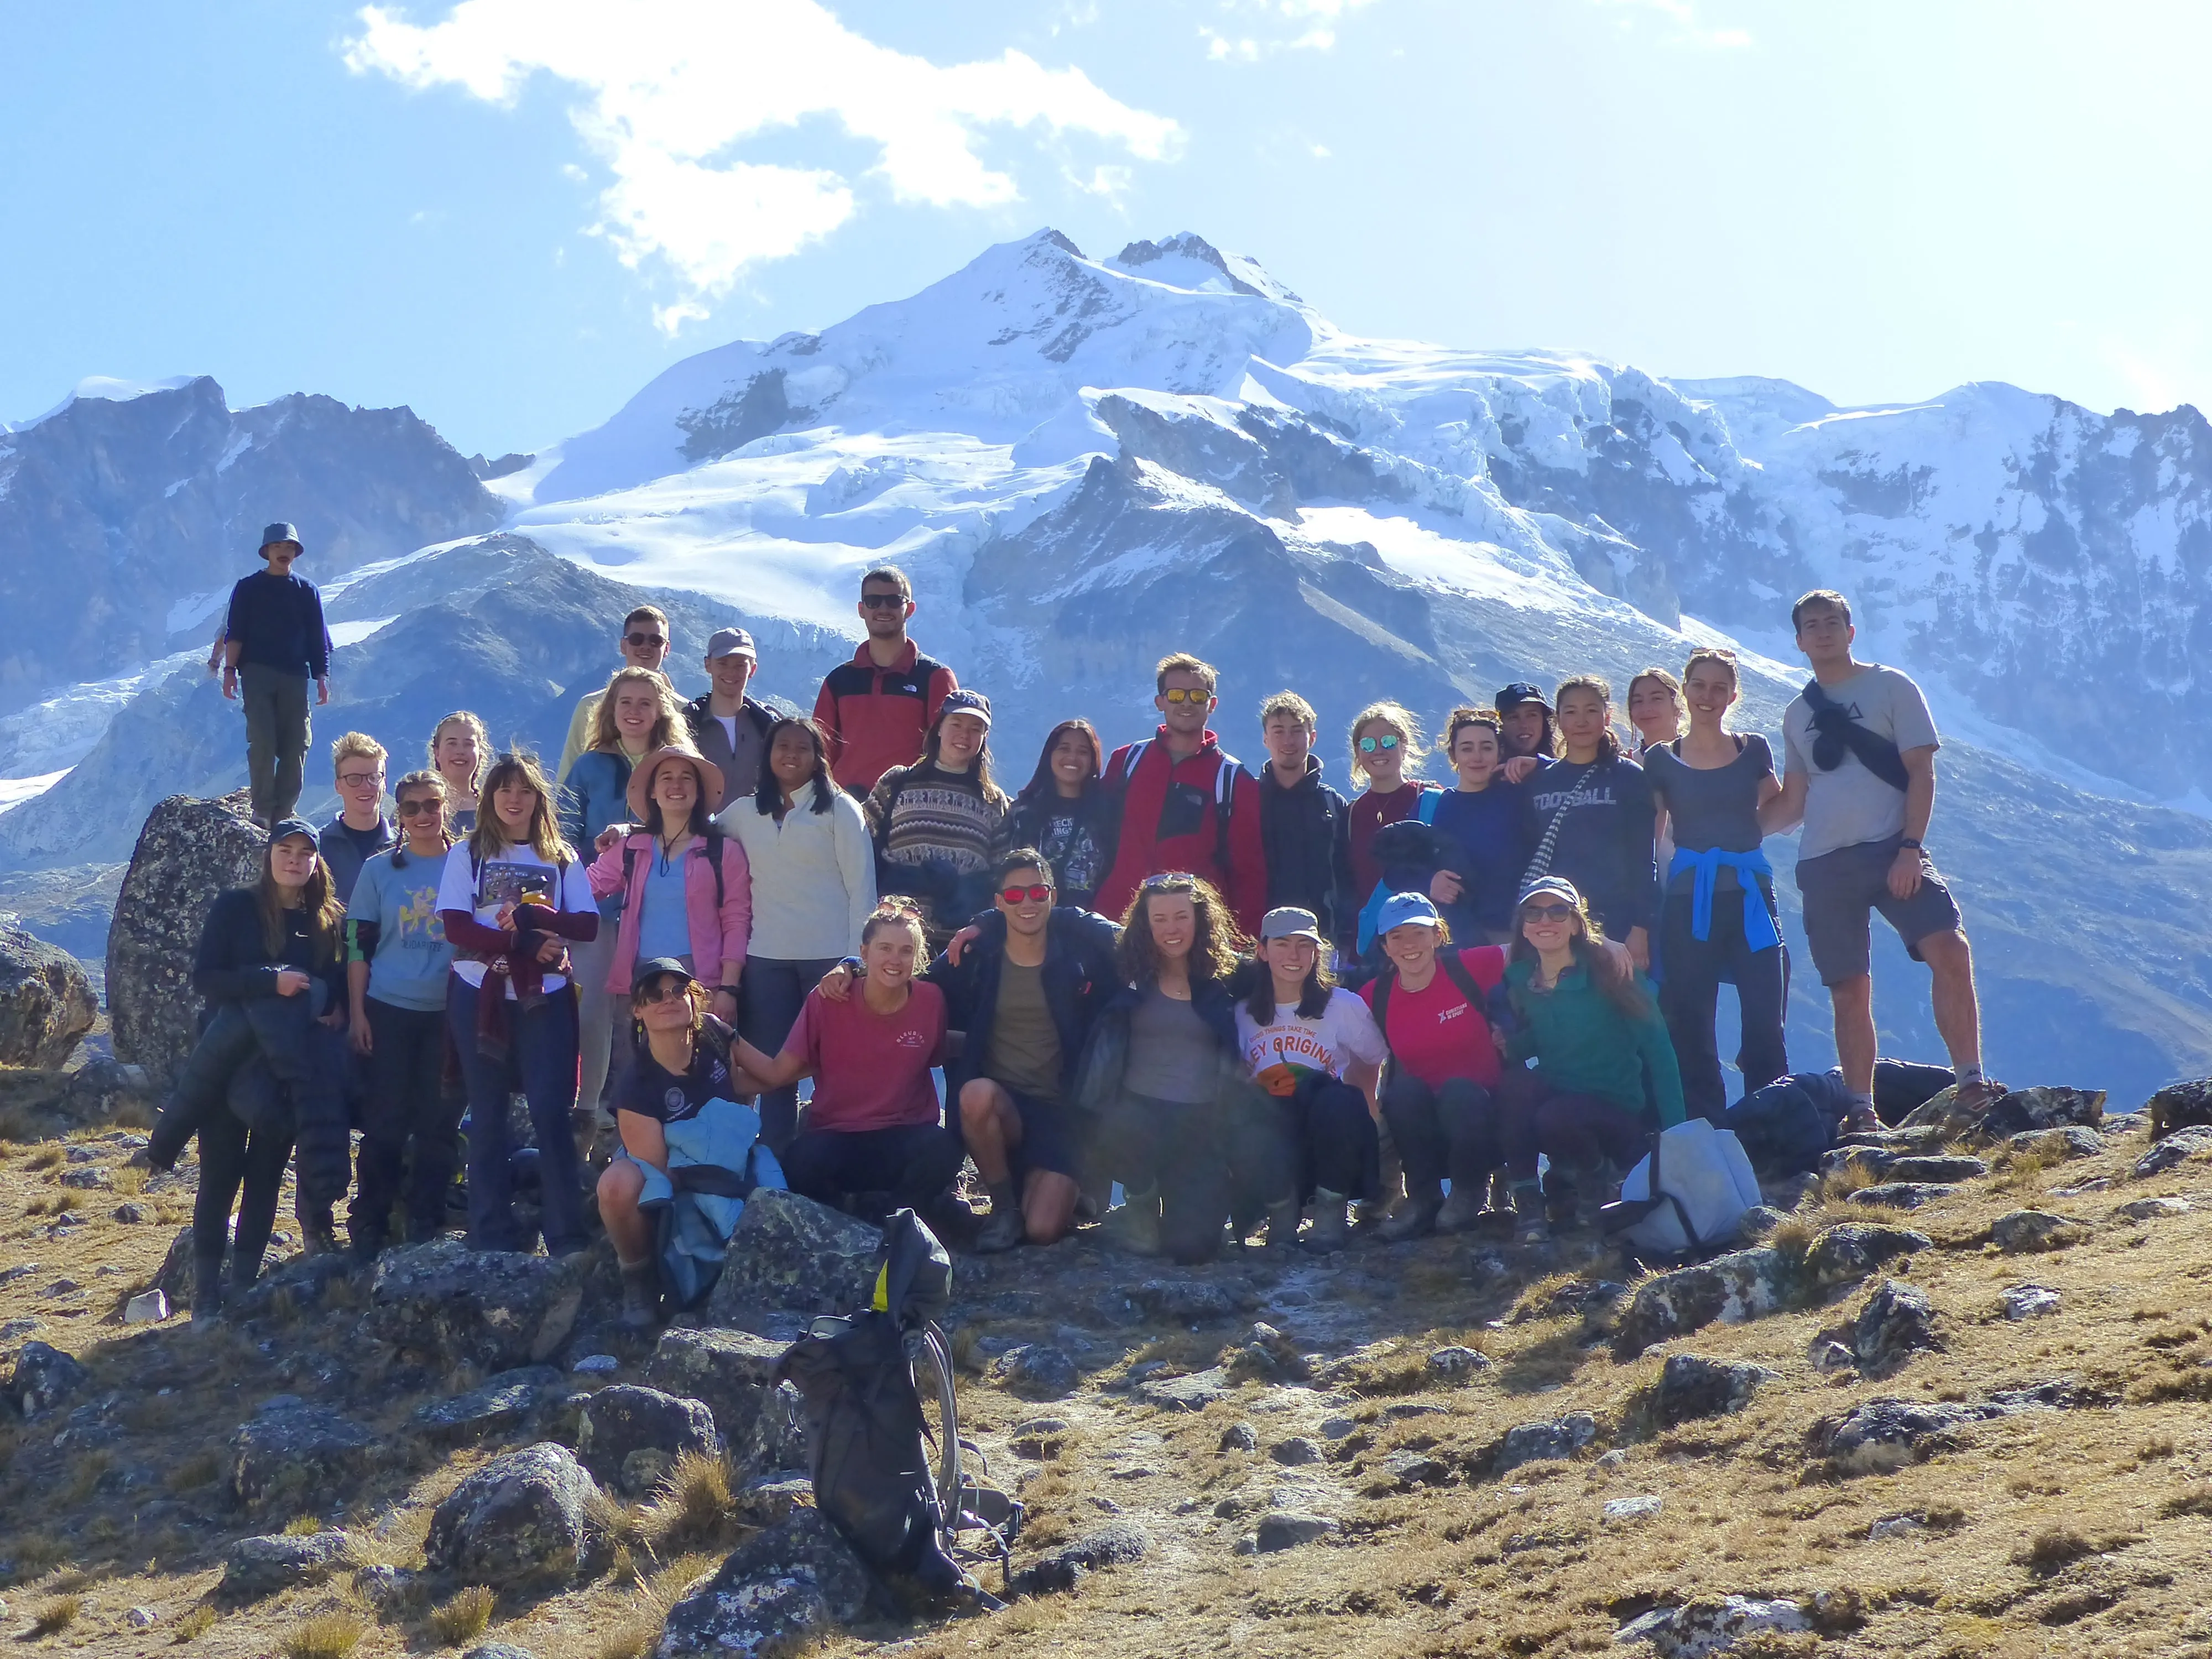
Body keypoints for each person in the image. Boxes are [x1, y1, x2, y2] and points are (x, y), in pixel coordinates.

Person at [1760, 589, 1996, 1115]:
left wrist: (1911, 848)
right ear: (1799, 641)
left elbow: (1920, 771)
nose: (1822, 631)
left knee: (1950, 951)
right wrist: (1729, 831)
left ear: (1850, 631)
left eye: (1831, 622)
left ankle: (1972, 1082)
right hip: (1824, 863)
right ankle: (1861, 1109)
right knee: (1849, 989)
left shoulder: (1892, 686)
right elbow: (1794, 801)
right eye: (1811, 625)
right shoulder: (1797, 713)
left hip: (1895, 849)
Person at [162, 819, 348, 1319]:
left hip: (285, 1069)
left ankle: (243, 1289)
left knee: (266, 1176)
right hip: (227, 1064)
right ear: (268, 856)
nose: (294, 860)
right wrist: (271, 983)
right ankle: (206, 1296)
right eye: (284, 850)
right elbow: (207, 978)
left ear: (316, 862)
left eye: (304, 852)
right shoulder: (235, 907)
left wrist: (337, 1010)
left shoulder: (327, 919)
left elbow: (333, 983)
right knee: (220, 1175)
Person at [436, 752, 599, 1254]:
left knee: (552, 1113)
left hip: (545, 998)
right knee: (487, 1115)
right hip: (478, 990)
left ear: (538, 800)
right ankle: (490, 1234)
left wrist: (536, 919)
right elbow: (456, 927)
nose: (514, 799)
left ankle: (565, 1237)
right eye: (504, 790)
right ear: (489, 799)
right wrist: (525, 944)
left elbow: (587, 926)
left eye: (524, 791)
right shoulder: (467, 854)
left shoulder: (562, 856)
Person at [1076, 873, 1279, 1264]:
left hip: (1199, 1124)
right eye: (1160, 919)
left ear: (1200, 920)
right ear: (1145, 923)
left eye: (1181, 917)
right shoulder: (1123, 971)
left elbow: (1290, 976)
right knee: (1119, 1124)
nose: (1172, 929)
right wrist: (984, 923)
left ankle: (1209, 1203)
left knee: (1192, 1248)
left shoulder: (1230, 976)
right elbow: (1070, 917)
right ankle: (1141, 1202)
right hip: (1138, 1115)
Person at [933, 848, 1121, 1253]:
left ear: (1053, 896)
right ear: (999, 903)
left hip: (1062, 1115)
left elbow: (1126, 940)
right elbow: (910, 982)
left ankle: (1056, 1188)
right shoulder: (978, 958)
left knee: (1042, 1231)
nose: (1028, 904)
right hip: (1006, 1112)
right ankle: (1004, 1207)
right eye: (1015, 896)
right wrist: (852, 966)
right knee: (975, 1095)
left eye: (1037, 893)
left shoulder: (1079, 956)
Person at [731, 898, 963, 1220]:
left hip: (905, 1131)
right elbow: (777, 1073)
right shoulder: (828, 999)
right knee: (800, 1162)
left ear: (917, 958)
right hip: (839, 1133)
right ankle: (864, 1212)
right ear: (865, 953)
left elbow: (937, 1053)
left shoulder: (930, 1001)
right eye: (885, 948)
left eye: (906, 951)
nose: (895, 959)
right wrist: (727, 1037)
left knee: (945, 1149)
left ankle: (894, 1214)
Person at [1642, 648, 1790, 1123]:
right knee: (1692, 1024)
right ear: (1685, 690)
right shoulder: (1661, 759)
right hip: (1688, 904)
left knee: (1765, 1020)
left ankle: (1771, 1127)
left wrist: (1741, 840)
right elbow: (1650, 834)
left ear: (1732, 695)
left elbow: (1778, 808)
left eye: (1719, 687)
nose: (1708, 696)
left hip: (1750, 896)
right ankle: (1709, 1128)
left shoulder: (1755, 749)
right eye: (1699, 685)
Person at [596, 961, 785, 1329]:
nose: (668, 1000)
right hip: (673, 1173)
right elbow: (661, 1172)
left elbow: (768, 1076)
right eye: (654, 995)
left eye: (678, 991)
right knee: (616, 1186)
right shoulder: (635, 1085)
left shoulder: (714, 1038)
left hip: (725, 1157)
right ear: (637, 1010)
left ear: (694, 999)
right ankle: (639, 1276)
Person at [717, 716, 874, 1151]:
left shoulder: (840, 811)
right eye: (781, 746)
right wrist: (628, 833)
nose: (790, 754)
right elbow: (690, 832)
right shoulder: (744, 814)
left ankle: (834, 1158)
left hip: (830, 963)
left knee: (835, 1066)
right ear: (767, 755)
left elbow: (863, 891)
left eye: (802, 747)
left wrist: (853, 962)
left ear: (818, 757)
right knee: (772, 1071)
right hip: (765, 961)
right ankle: (776, 1163)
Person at [1499, 876, 1685, 1242]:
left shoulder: (1615, 975)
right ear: (1523, 926)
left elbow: (1660, 1054)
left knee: (1557, 1115)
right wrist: (1512, 1047)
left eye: (1557, 911)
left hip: (1614, 1118)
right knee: (1516, 1086)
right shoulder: (1520, 980)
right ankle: (1527, 1198)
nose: (1545, 921)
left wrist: (1679, 1139)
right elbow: (1547, 1039)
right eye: (1533, 913)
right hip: (1559, 1109)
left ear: (1575, 923)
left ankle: (1598, 1179)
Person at [561, 666, 685, 1129]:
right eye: (625, 703)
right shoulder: (589, 766)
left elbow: (689, 828)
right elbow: (564, 836)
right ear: (610, 710)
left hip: (660, 913)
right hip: (595, 913)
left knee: (647, 1010)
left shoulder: (676, 765)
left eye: (645, 703)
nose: (634, 712)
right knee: (593, 1009)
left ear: (660, 711)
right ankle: (589, 1109)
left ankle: (638, 1108)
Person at [345, 770, 460, 1259]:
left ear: (445, 807)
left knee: (439, 1123)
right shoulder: (377, 871)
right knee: (385, 1123)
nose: (422, 816)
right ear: (399, 815)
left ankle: (426, 1219)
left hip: (450, 1013)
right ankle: (369, 1220)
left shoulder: (468, 862)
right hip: (388, 1008)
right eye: (411, 808)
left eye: (431, 805)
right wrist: (357, 1013)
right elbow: (357, 945)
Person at [1359, 891, 1514, 1241]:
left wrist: (1606, 946)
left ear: (1438, 936)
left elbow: (1540, 945)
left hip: (1483, 1120)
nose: (1408, 945)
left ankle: (1469, 1192)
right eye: (1396, 936)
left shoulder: (1469, 966)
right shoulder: (1374, 994)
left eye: (1418, 933)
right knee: (1402, 1094)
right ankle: (1423, 1199)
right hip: (1423, 1130)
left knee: (1459, 1092)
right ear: (1384, 946)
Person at [1237, 906, 1386, 1254]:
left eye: (1305, 945)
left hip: (1328, 1133)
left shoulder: (1342, 1004)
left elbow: (1374, 1058)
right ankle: (1279, 1212)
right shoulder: (1241, 1012)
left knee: (1338, 1101)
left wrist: (1368, 1114)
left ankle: (1331, 1210)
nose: (1294, 955)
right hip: (1274, 1139)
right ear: (1262, 951)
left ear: (1318, 953)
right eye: (1283, 944)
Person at [1093, 655, 1268, 937]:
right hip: (1117, 923)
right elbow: (1096, 839)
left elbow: (1249, 874)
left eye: (1197, 696)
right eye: (1176, 695)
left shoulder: (1234, 780)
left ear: (1212, 704)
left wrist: (1241, 945)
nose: (1186, 703)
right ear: (1160, 702)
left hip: (1193, 936)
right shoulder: (1126, 761)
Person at [584, 742, 750, 1038]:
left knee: (698, 1068)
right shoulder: (632, 848)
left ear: (699, 790)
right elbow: (587, 887)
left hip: (700, 981)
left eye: (686, 777)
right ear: (652, 790)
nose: (676, 785)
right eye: (666, 777)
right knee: (635, 1071)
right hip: (639, 977)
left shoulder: (723, 852)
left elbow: (737, 920)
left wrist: (728, 988)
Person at [1526, 676, 1657, 969]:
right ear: (1558, 720)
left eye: (1591, 711)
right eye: (1571, 712)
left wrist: (1641, 928)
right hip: (1558, 921)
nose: (1581, 721)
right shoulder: (1540, 782)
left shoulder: (1629, 777)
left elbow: (1643, 859)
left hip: (1618, 920)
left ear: (1607, 716)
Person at [864, 689, 1010, 947]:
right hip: (894, 942)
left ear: (985, 737)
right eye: (956, 724)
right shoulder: (896, 783)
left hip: (961, 945)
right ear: (939, 728)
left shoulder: (993, 802)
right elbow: (860, 851)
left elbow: (1001, 877)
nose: (965, 735)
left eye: (976, 729)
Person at [220, 522, 333, 826]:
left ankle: (284, 810)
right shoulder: (248, 588)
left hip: (295, 675)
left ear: (296, 552)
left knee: (296, 743)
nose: (284, 552)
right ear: (267, 552)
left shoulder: (307, 591)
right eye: (278, 547)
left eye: (289, 547)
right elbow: (236, 633)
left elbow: (318, 637)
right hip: (256, 674)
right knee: (263, 741)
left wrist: (322, 676)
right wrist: (229, 671)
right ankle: (262, 808)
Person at [813, 567, 958, 792]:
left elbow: (950, 753)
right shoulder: (838, 681)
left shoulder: (935, 678)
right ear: (861, 609)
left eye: (893, 600)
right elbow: (820, 754)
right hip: (844, 814)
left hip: (909, 811)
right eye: (873, 601)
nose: (883, 608)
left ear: (909, 609)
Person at [1423, 708, 1538, 946]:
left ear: (1500, 752)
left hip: (1514, 938)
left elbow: (1566, 774)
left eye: (1486, 748)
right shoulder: (1432, 805)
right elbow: (1398, 868)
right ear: (1453, 755)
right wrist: (1428, 881)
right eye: (1467, 748)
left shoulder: (1520, 798)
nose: (1477, 757)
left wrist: (1539, 763)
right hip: (1454, 941)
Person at [1254, 692, 1350, 949]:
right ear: (1265, 738)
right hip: (1258, 939)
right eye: (1278, 731)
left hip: (1322, 937)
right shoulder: (1246, 801)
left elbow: (1346, 875)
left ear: (1313, 737)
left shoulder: (1333, 805)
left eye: (1297, 731)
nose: (1288, 740)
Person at [1342, 701, 1437, 940]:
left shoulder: (1430, 799)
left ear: (1404, 747)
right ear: (1358, 752)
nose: (1378, 751)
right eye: (1368, 744)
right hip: (1370, 940)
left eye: (1388, 742)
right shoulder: (1352, 814)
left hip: (1423, 937)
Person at [555, 605, 672, 784]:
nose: (646, 646)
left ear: (667, 648)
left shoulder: (681, 709)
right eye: (637, 639)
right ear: (623, 645)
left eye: (655, 641)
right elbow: (568, 775)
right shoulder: (590, 706)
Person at [1005, 719, 1113, 912]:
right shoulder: (1023, 812)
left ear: (1093, 759)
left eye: (1083, 752)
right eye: (1064, 749)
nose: (1072, 757)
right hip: (1033, 918)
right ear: (1050, 755)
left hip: (1089, 924)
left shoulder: (1107, 813)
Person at [683, 626, 776, 806]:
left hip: (753, 831)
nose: (731, 672)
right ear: (708, 665)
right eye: (723, 663)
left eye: (740, 665)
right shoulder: (687, 724)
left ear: (753, 669)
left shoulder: (767, 726)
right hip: (700, 831)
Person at [319, 732, 394, 907]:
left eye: (374, 778)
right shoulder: (319, 847)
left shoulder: (402, 847)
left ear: (384, 783)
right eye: (354, 779)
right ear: (338, 786)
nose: (366, 786)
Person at [430, 711, 489, 833]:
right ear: (437, 752)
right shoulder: (416, 806)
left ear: (480, 753)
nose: (460, 751)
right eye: (452, 743)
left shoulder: (494, 808)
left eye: (468, 744)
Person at [1626, 669, 1687, 755]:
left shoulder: (1702, 759)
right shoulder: (1629, 765)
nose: (1646, 708)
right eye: (1638, 701)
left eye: (1656, 699)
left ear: (1677, 706)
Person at [1495, 682, 1557, 766]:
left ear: (1545, 721)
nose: (1524, 725)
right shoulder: (1486, 773)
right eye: (1514, 717)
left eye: (1532, 716)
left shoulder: (1562, 772)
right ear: (1501, 725)